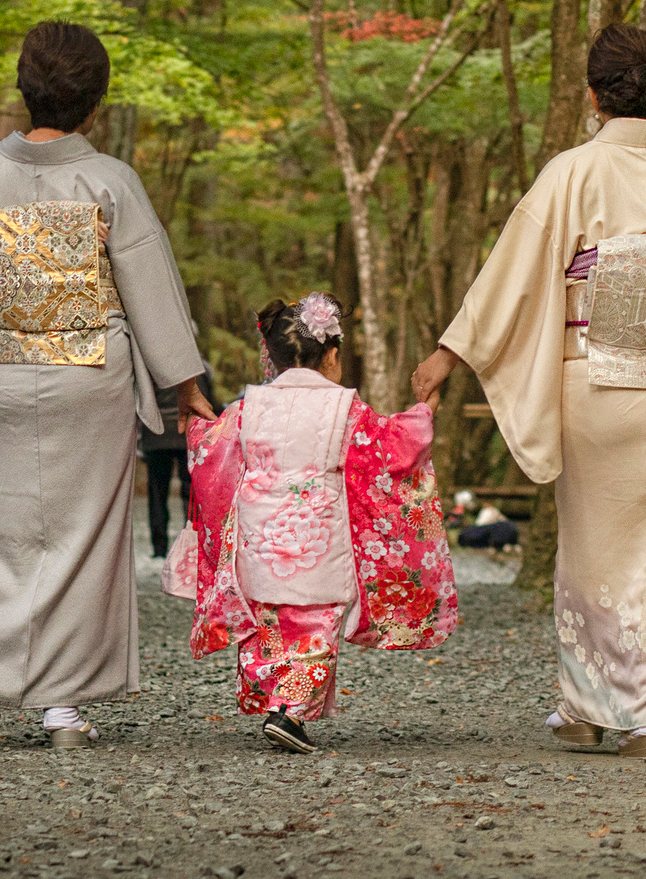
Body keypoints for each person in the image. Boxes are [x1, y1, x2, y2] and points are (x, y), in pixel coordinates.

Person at [411, 24, 646, 762]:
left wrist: (451, 352)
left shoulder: (572, 172)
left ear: (595, 95)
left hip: (599, 383)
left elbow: (512, 275)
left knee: (596, 551)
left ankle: (587, 708)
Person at [0, 21, 214, 751]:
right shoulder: (109, 179)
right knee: (82, 538)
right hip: (90, 375)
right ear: (96, 103)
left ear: (22, 89)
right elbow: (150, 285)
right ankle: (62, 707)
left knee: (1, 536)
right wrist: (185, 385)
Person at [168, 294, 456, 755]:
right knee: (316, 623)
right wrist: (425, 413)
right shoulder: (345, 408)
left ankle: (275, 703)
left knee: (269, 623)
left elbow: (213, 451)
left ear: (272, 355)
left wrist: (199, 426)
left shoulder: (249, 406)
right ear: (332, 356)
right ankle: (291, 712)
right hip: (318, 538)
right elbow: (391, 447)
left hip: (260, 540)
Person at [139, 369, 218, 557]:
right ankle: (190, 543)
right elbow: (209, 403)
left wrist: (141, 440)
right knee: (190, 493)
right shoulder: (200, 369)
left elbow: (143, 403)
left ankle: (159, 548)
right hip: (187, 436)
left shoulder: (152, 370)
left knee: (157, 494)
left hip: (157, 435)